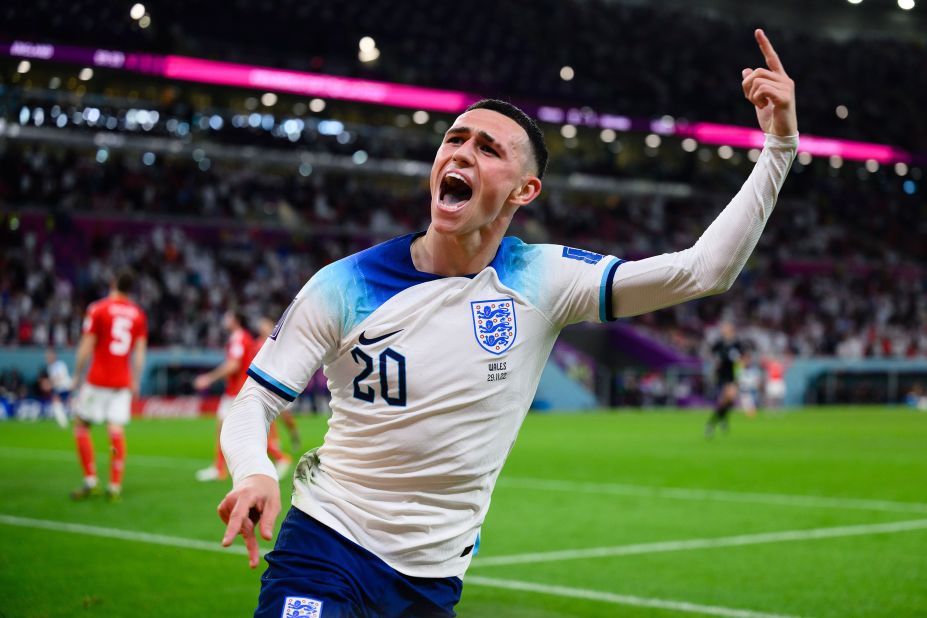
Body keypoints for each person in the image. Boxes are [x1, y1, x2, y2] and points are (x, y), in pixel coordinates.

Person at [218, 29, 798, 617]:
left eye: (489, 149)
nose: (463, 152)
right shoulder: (343, 284)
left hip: (432, 576)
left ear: (527, 189)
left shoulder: (542, 278)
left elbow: (703, 270)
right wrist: (253, 471)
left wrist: (779, 146)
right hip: (326, 542)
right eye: (455, 139)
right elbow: (253, 403)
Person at [70, 270, 148, 501]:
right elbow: (140, 352)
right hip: (122, 382)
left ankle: (91, 479)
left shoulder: (98, 308)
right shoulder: (138, 314)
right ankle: (114, 486)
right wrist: (135, 379)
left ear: (113, 283)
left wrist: (76, 375)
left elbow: (87, 343)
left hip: (97, 379)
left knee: (81, 425)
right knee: (115, 431)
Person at [194, 311, 291, 481]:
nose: (225, 319)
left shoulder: (239, 338)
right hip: (237, 389)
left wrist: (209, 378)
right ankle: (219, 468)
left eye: (228, 316)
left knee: (237, 429)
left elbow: (234, 364)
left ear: (235, 320)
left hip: (237, 390)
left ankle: (280, 457)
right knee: (228, 427)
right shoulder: (245, 338)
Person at [256, 316, 301, 453]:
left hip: (281, 383)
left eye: (265, 326)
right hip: (265, 384)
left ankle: (294, 434)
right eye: (261, 327)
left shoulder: (279, 343)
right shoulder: (257, 343)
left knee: (286, 417)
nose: (262, 328)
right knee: (266, 414)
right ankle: (274, 442)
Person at [705, 322, 745, 437]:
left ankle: (721, 419)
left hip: (732, 375)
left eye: (725, 327)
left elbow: (741, 359)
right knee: (726, 399)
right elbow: (711, 353)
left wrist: (740, 373)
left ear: (731, 329)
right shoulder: (719, 343)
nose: (723, 330)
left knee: (729, 400)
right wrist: (715, 362)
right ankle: (711, 424)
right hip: (722, 375)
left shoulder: (737, 343)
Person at [43, 347, 72, 428]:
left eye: (49, 356)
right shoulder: (50, 368)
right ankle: (63, 423)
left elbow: (60, 377)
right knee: (57, 403)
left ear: (54, 356)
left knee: (69, 404)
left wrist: (49, 383)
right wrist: (50, 384)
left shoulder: (60, 364)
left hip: (65, 387)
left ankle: (65, 422)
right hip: (58, 388)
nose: (47, 358)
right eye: (47, 357)